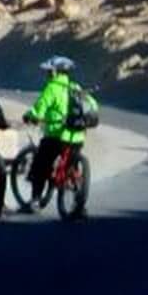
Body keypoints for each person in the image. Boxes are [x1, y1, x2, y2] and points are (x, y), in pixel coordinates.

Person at [24, 56, 93, 209]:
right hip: (77, 136)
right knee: (72, 164)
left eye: (49, 71)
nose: (47, 74)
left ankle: (35, 199)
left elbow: (39, 109)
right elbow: (91, 106)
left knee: (40, 164)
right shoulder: (75, 87)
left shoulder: (52, 88)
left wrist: (30, 116)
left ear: (55, 73)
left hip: (56, 135)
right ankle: (79, 203)